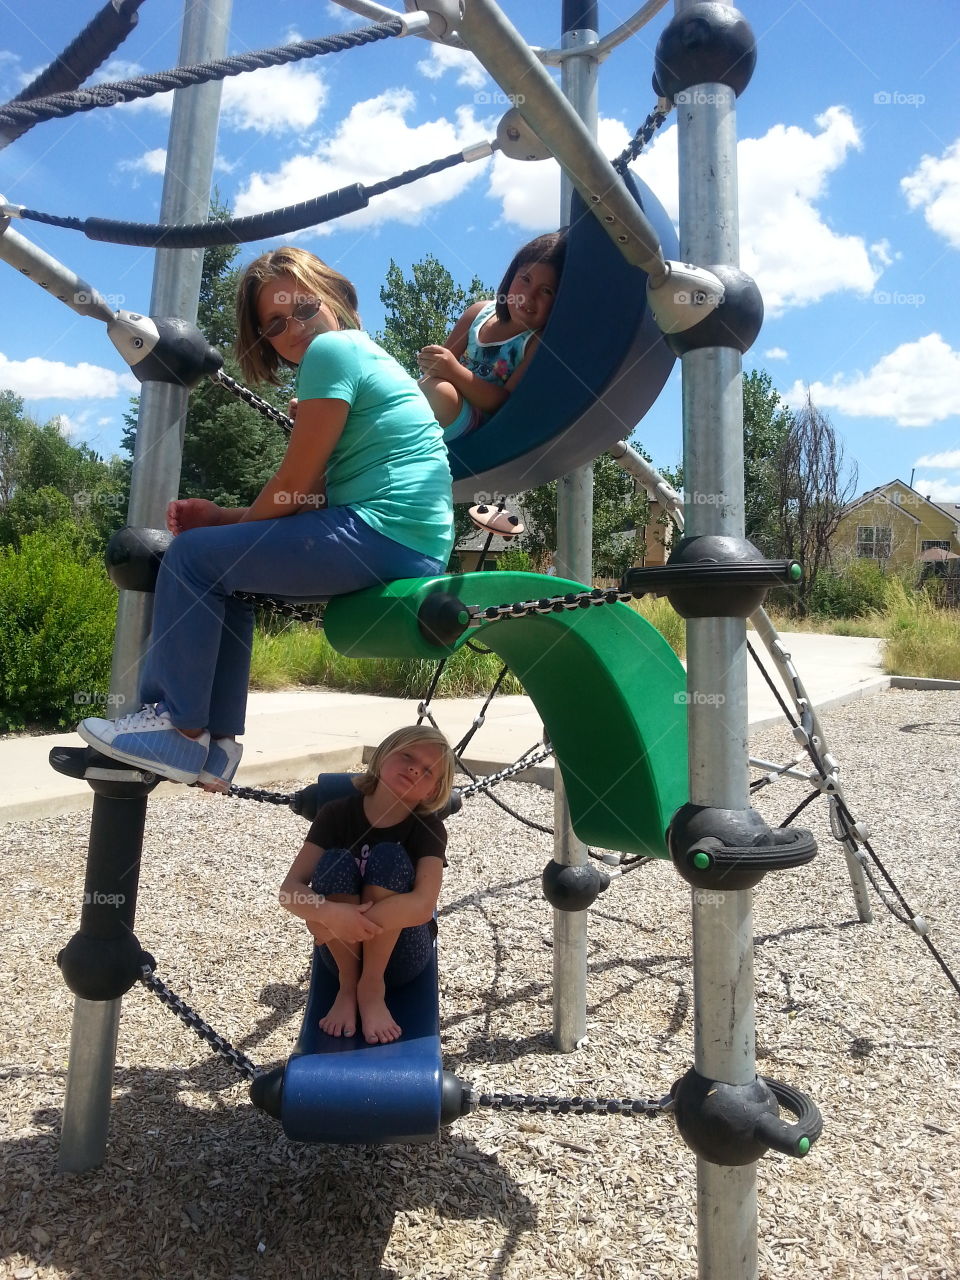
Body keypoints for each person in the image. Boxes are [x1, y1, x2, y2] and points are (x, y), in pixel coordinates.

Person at [78, 247, 455, 790]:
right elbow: (315, 497)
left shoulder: (333, 352)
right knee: (226, 579)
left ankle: (177, 729)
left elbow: (292, 487)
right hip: (402, 540)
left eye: (302, 308)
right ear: (267, 341)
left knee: (189, 559)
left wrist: (224, 531)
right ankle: (217, 747)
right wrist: (224, 517)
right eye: (275, 324)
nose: (295, 328)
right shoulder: (365, 357)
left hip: (382, 531)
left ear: (335, 299)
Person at [279, 726, 456, 1045]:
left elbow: (421, 906)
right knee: (334, 859)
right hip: (341, 956)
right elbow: (290, 890)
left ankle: (371, 987)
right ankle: (349, 986)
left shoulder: (428, 829)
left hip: (402, 956)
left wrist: (338, 923)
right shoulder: (336, 815)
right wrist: (331, 914)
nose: (415, 767)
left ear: (432, 791)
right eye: (407, 755)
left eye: (428, 770)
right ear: (382, 757)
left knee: (389, 856)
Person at [416, 230, 566, 442]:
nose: (529, 296)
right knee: (413, 388)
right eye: (525, 279)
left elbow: (503, 403)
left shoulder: (535, 341)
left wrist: (453, 370)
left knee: (439, 393)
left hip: (476, 424)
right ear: (512, 275)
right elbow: (437, 370)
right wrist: (433, 361)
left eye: (546, 291)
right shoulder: (478, 312)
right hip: (439, 405)